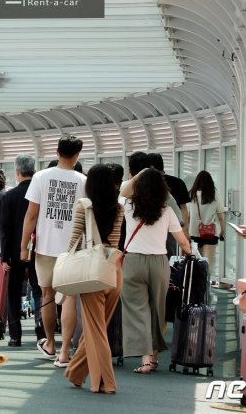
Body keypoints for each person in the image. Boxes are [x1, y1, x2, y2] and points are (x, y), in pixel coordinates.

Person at [21, 135, 86, 368]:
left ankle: (50, 344)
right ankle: (65, 353)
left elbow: (31, 215)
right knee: (69, 297)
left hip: (45, 248)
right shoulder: (82, 181)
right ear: (77, 155)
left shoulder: (40, 177)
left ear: (57, 152)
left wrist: (23, 248)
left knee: (47, 296)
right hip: (73, 249)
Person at [120, 168, 191, 374]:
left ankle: (145, 358)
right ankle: (153, 357)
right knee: (157, 309)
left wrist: (140, 174)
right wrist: (189, 252)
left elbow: (124, 190)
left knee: (137, 309)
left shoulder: (129, 206)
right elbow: (182, 242)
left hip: (133, 262)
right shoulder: (166, 211)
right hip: (159, 263)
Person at [64, 164, 124, 394]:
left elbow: (74, 242)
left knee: (96, 330)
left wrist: (67, 264)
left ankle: (105, 382)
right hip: (113, 270)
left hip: (92, 273)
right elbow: (116, 241)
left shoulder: (83, 207)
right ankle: (76, 372)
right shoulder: (119, 208)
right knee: (97, 327)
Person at [0, 154, 45, 347]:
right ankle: (40, 331)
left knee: (13, 292)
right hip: (38, 249)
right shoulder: (41, 194)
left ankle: (15, 336)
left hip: (15, 252)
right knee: (38, 290)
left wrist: (4, 257)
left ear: (17, 172)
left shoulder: (9, 196)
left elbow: (5, 230)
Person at [149, 153, 191, 256]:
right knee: (171, 257)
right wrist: (184, 230)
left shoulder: (146, 184)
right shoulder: (178, 182)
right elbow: (184, 208)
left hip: (152, 228)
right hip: (172, 230)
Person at [187, 170, 226, 274]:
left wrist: (185, 231)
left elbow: (188, 215)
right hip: (211, 233)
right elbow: (221, 215)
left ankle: (198, 286)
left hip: (194, 233)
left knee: (197, 262)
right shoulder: (213, 193)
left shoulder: (192, 195)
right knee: (208, 263)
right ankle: (207, 285)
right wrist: (223, 231)